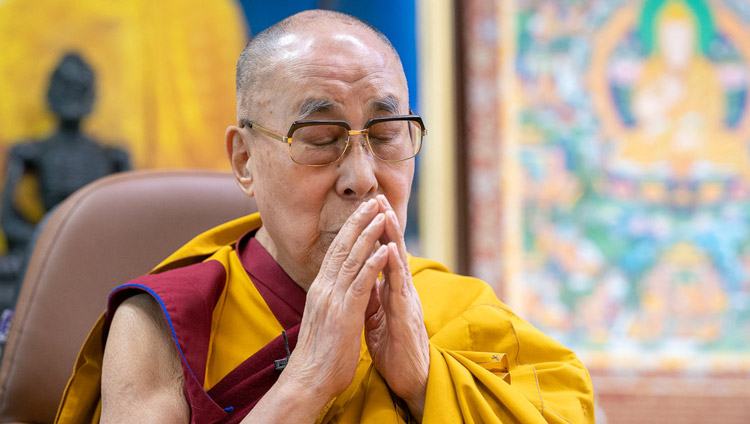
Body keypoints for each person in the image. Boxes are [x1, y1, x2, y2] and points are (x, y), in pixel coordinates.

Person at [56, 10, 594, 423]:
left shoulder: (457, 313)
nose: (362, 176)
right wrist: (305, 385)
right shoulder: (168, 324)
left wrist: (425, 380)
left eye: (386, 137)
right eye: (320, 140)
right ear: (244, 161)